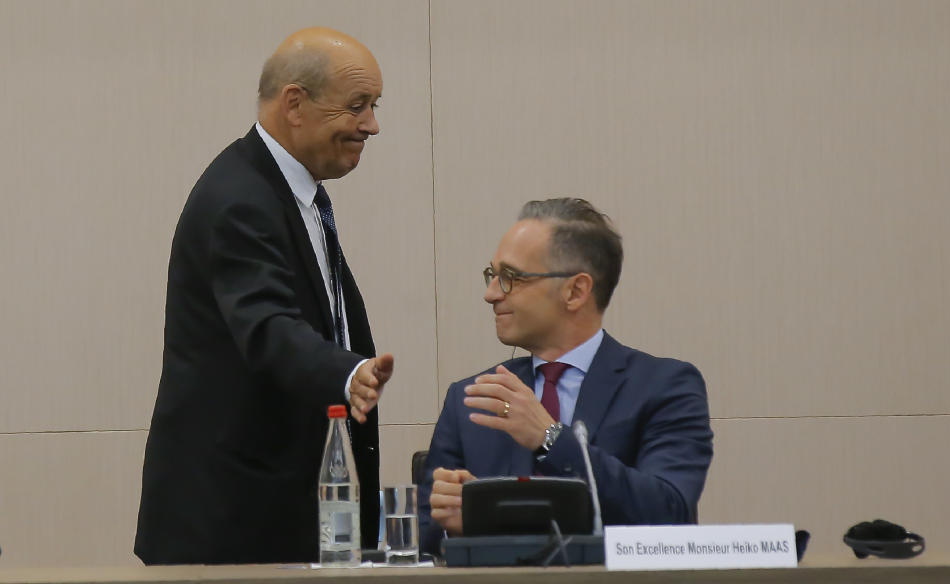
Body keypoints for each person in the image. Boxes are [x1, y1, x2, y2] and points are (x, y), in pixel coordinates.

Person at [135, 27, 393, 565]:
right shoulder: (241, 199)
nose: (372, 124)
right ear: (295, 103)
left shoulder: (291, 192)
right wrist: (347, 374)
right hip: (235, 524)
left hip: (286, 515)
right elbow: (266, 324)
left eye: (373, 106)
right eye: (357, 106)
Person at [418, 198, 713, 555]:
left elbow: (670, 513)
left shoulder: (664, 386)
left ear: (575, 291)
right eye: (492, 275)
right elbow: (424, 535)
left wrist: (550, 438)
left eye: (511, 278)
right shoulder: (471, 399)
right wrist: (457, 525)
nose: (491, 293)